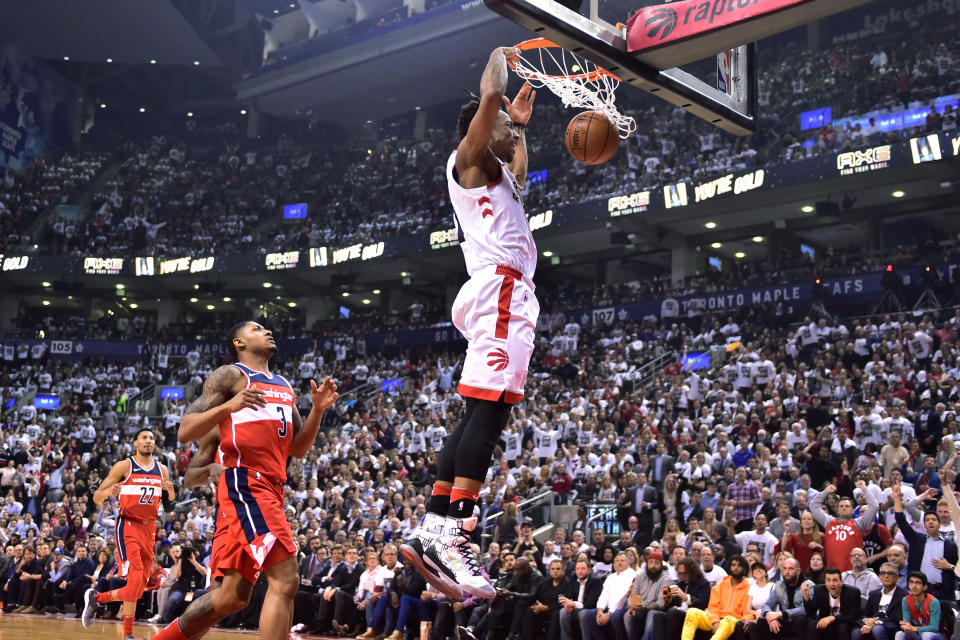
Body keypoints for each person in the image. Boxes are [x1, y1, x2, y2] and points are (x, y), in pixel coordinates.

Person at [402, 44, 540, 601]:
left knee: (480, 410)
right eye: (505, 127)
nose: (511, 136)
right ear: (487, 127)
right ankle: (458, 534)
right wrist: (500, 57)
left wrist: (522, 128)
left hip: (499, 290)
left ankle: (436, 523)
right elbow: (488, 93)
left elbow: (523, 174)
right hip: (502, 289)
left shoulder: (499, 173)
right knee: (491, 411)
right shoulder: (469, 158)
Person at [148, 321, 339, 640]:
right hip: (246, 482)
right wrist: (229, 406)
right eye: (257, 328)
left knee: (231, 597)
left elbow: (299, 449)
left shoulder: (284, 385)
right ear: (238, 342)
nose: (267, 332)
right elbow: (185, 430)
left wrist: (318, 411)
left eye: (266, 329)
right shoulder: (230, 375)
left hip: (271, 488)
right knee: (286, 579)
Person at [81, 428, 176, 640]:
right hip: (128, 526)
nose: (148, 441)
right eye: (144, 438)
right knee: (133, 582)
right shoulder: (124, 466)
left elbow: (169, 507)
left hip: (149, 528)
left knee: (139, 589)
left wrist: (171, 493)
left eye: (151, 438)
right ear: (135, 443)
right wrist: (108, 492)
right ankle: (128, 635)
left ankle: (98, 598)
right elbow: (96, 497)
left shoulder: (162, 470)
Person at [891, 482, 957, 603]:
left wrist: (949, 566)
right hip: (919, 592)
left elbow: (958, 568)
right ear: (924, 525)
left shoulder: (950, 545)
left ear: (939, 524)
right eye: (927, 520)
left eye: (933, 520)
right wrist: (896, 498)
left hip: (943, 593)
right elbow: (901, 521)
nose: (931, 522)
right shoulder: (917, 540)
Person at [680, 554, 753, 640]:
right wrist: (715, 621)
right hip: (716, 618)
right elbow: (713, 607)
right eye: (733, 565)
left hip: (733, 621)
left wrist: (747, 618)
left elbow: (749, 611)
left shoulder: (750, 588)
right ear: (729, 567)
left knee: (729, 619)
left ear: (744, 569)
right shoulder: (720, 586)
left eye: (739, 565)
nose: (736, 568)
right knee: (692, 611)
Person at [809, 481, 878, 572]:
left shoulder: (860, 523)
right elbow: (813, 506)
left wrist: (864, 489)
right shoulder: (829, 522)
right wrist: (825, 491)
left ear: (853, 510)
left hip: (853, 572)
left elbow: (874, 506)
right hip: (832, 573)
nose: (844, 508)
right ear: (837, 510)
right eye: (841, 506)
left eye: (847, 506)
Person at [639, 557, 709, 640]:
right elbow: (672, 604)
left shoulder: (703, 583)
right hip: (677, 613)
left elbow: (702, 603)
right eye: (680, 573)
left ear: (692, 572)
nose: (682, 576)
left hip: (692, 615)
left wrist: (685, 597)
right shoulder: (680, 584)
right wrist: (669, 600)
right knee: (657, 614)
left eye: (685, 573)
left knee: (673, 612)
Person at [753, 557, 813, 640]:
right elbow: (767, 604)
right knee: (762, 620)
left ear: (798, 571)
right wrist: (770, 617)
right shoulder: (779, 585)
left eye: (791, 569)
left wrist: (780, 613)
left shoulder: (808, 585)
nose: (787, 572)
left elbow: (806, 610)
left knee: (801, 620)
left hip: (801, 623)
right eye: (784, 568)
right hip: (784, 622)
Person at [580, 552, 636, 640]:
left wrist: (609, 613)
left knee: (615, 616)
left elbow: (623, 598)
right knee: (588, 615)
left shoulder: (632, 575)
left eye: (622, 560)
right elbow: (603, 596)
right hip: (608, 609)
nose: (619, 563)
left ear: (628, 563)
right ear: (613, 564)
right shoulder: (611, 577)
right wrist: (600, 610)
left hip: (623, 609)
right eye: (617, 561)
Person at [622, 551, 672, 640]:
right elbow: (633, 594)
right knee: (628, 615)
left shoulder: (667, 579)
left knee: (652, 614)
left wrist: (646, 607)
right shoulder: (639, 576)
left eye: (656, 563)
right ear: (647, 564)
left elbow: (663, 602)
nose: (653, 565)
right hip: (641, 609)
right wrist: (633, 605)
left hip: (658, 611)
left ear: (661, 565)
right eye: (651, 562)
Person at [802, 567, 862, 640]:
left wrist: (833, 618)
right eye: (828, 580)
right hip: (826, 624)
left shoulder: (853, 592)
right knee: (812, 624)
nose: (831, 584)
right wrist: (806, 597)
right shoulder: (819, 590)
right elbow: (811, 613)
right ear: (825, 581)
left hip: (844, 623)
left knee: (842, 627)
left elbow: (853, 616)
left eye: (835, 580)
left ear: (841, 582)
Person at [851, 562, 905, 640]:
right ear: (879, 577)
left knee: (877, 629)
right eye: (883, 573)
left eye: (890, 573)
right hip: (872, 626)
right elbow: (866, 614)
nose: (886, 576)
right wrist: (866, 620)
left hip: (890, 628)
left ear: (897, 578)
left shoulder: (903, 596)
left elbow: (896, 619)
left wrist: (876, 623)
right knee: (856, 632)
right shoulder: (874, 594)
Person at [558, 558, 603, 640]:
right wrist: (568, 604)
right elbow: (570, 595)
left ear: (589, 570)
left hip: (590, 609)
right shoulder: (573, 578)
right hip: (576, 608)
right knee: (563, 611)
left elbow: (592, 603)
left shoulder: (595, 581)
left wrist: (574, 604)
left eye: (583, 568)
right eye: (578, 569)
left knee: (582, 614)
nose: (580, 571)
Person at [897, 571, 946, 640]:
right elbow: (907, 625)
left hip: (937, 635)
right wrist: (905, 627)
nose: (914, 586)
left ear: (925, 587)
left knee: (926, 635)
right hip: (918, 634)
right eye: (911, 582)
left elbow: (934, 628)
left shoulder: (933, 601)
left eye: (918, 583)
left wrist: (914, 628)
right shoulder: (905, 600)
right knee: (900, 634)